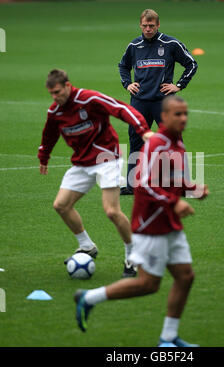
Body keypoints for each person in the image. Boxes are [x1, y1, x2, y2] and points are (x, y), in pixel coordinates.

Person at [74, 95, 209, 347]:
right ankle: (89, 298)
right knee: (148, 284)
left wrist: (192, 188)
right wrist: (174, 202)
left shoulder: (177, 142)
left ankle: (168, 338)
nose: (183, 118)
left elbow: (175, 179)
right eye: (177, 114)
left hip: (170, 224)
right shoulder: (156, 144)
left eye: (185, 114)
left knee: (185, 277)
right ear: (164, 116)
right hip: (151, 227)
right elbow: (144, 184)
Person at [38, 69, 153, 278]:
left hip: (106, 159)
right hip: (82, 162)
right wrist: (43, 157)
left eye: (57, 92)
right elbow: (49, 135)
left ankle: (133, 255)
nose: (55, 98)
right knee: (61, 205)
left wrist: (143, 129)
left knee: (111, 211)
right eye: (51, 94)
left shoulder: (89, 99)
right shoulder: (55, 111)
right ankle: (87, 246)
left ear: (67, 85)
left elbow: (121, 108)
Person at [118, 8, 198, 195]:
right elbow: (123, 65)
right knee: (136, 141)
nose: (148, 29)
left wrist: (178, 85)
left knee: (173, 141)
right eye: (145, 26)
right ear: (140, 25)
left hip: (164, 104)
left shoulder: (170, 43)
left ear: (158, 25)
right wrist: (127, 84)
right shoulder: (134, 45)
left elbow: (191, 64)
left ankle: (181, 185)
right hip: (139, 102)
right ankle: (133, 185)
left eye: (151, 26)